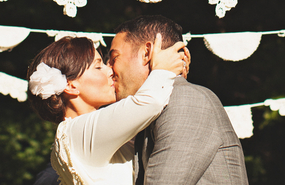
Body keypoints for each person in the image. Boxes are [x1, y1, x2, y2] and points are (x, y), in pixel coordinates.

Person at [27, 35, 187, 185]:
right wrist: (163, 70)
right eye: (98, 67)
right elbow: (150, 102)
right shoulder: (77, 132)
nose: (110, 70)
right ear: (71, 85)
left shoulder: (87, 134)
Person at [109, 16, 249, 185]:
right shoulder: (158, 108)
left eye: (114, 58)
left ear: (147, 53)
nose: (109, 68)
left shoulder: (185, 99)